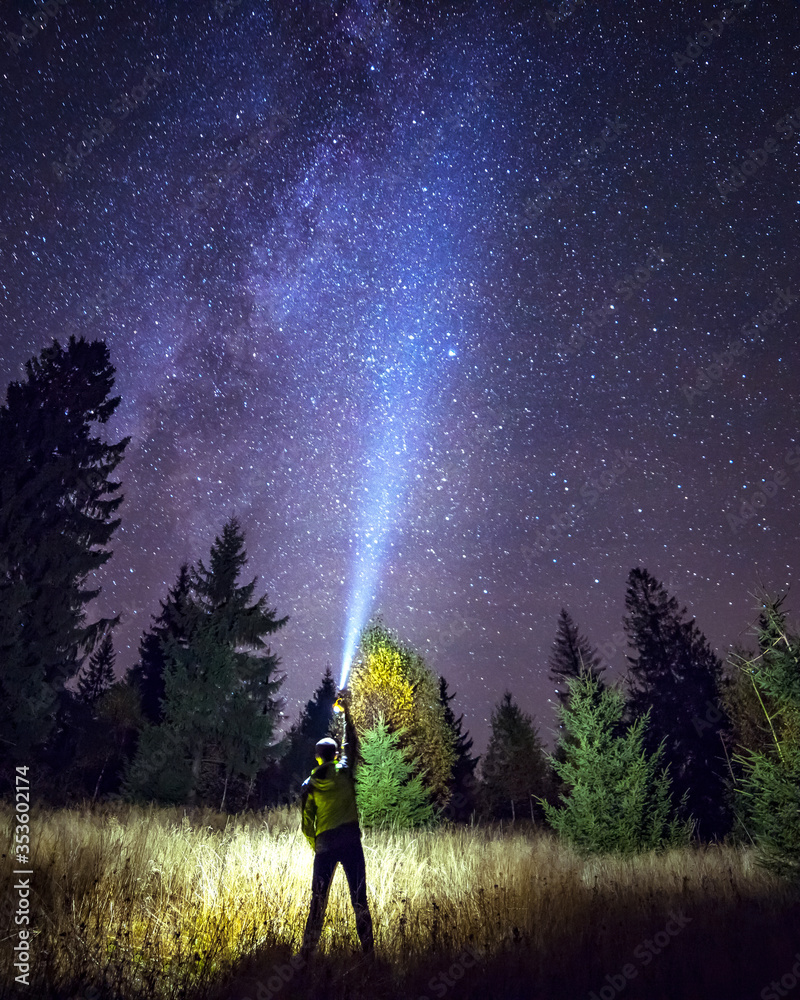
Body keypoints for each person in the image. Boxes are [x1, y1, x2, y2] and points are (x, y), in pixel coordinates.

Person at [299, 693, 374, 959]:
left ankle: (306, 956)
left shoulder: (310, 785)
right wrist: (346, 713)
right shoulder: (344, 772)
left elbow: (307, 823)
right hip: (351, 842)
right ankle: (369, 956)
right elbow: (352, 743)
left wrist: (315, 844)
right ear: (335, 754)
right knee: (359, 900)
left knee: (317, 902)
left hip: (326, 844)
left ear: (318, 757)